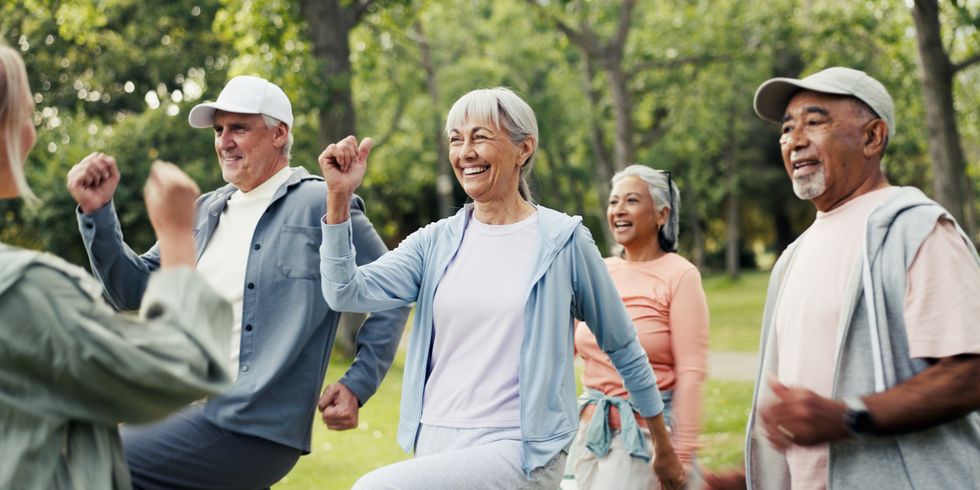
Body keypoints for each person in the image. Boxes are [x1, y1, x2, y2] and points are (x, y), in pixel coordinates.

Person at [317, 87, 686, 489]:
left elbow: (623, 346)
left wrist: (662, 446)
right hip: (436, 439)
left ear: (524, 148)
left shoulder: (563, 241)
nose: (465, 152)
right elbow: (344, 291)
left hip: (522, 449)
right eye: (456, 139)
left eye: (480, 137)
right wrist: (339, 199)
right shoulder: (434, 242)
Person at [67, 75, 410, 489]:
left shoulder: (322, 202)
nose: (224, 142)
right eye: (218, 130)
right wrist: (98, 212)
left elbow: (393, 289)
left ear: (279, 134)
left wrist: (358, 382)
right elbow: (132, 289)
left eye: (239, 128)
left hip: (251, 423)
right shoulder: (203, 211)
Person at [706, 67, 980, 489]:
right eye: (787, 129)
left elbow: (970, 373)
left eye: (814, 122)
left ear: (872, 137)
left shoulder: (916, 230)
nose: (795, 140)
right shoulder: (793, 257)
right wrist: (747, 481)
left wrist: (848, 416)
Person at [0, 42, 234, 489]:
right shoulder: (24, 290)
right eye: (27, 116)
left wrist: (99, 214)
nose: (32, 134)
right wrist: (177, 237)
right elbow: (177, 368)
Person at [571, 164, 709, 489]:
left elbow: (691, 373)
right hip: (589, 436)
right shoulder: (599, 271)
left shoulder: (680, 275)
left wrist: (679, 455)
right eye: (613, 202)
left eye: (631, 200)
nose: (618, 210)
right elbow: (561, 351)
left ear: (662, 214)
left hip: (646, 440)